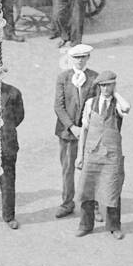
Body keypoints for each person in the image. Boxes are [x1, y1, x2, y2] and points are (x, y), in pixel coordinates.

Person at [76, 71, 130, 240]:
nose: (106, 89)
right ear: (99, 87)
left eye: (109, 85)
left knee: (112, 190)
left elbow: (127, 107)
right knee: (87, 190)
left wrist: (116, 94)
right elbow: (84, 131)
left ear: (114, 85)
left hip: (111, 156)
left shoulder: (117, 105)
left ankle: (114, 226)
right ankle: (85, 225)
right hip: (92, 154)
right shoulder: (90, 103)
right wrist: (80, 155)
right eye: (103, 85)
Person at [53, 43, 97, 219]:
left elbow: (96, 105)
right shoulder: (63, 77)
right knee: (68, 169)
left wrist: (86, 129)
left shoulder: (94, 78)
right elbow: (58, 105)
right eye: (77, 57)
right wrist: (72, 127)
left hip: (89, 132)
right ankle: (67, 203)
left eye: (83, 57)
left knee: (90, 169)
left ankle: (90, 205)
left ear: (88, 58)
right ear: (71, 59)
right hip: (68, 132)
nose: (80, 60)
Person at [0, 80, 25, 229]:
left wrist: (6, 128)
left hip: (7, 144)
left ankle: (9, 216)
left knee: (8, 181)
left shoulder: (13, 92)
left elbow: (19, 116)